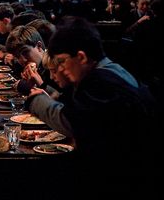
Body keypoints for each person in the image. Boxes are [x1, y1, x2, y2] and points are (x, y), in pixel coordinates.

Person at [24, 17, 158, 195]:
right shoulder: (111, 69)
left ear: (81, 57)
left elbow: (73, 123)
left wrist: (35, 101)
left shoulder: (98, 82)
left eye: (62, 61)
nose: (61, 69)